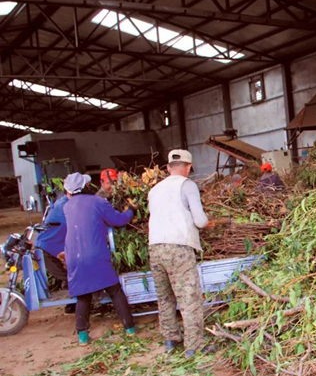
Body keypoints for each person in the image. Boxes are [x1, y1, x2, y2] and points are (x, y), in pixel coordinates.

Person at [147, 149, 210, 357]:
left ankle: (170, 340)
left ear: (167, 168)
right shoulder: (188, 185)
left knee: (165, 296)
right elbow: (200, 221)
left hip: (155, 247)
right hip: (178, 248)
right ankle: (194, 346)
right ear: (189, 167)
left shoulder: (154, 190)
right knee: (188, 296)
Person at [61, 172, 136, 345]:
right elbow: (118, 220)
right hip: (95, 254)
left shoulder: (67, 207)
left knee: (83, 295)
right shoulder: (98, 202)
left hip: (74, 256)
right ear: (86, 186)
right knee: (114, 290)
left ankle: (82, 336)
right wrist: (131, 210)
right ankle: (130, 329)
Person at [34, 194, 74, 313]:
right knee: (69, 276)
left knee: (69, 274)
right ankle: (76, 303)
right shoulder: (64, 206)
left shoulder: (64, 203)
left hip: (54, 246)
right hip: (48, 248)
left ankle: (74, 304)